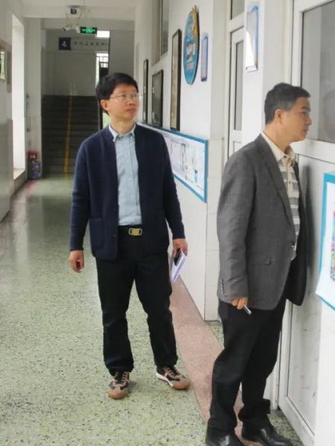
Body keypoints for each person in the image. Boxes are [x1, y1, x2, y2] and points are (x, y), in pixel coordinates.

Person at [69, 72, 190, 400]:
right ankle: (119, 370)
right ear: (105, 104)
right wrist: (75, 244)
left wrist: (178, 232)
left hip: (150, 241)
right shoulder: (91, 148)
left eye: (134, 94)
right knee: (113, 312)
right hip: (112, 244)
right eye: (123, 95)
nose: (131, 100)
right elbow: (80, 198)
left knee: (159, 309)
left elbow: (167, 191)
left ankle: (166, 365)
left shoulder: (153, 142)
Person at [206, 83, 312, 446]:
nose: (309, 120)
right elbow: (230, 229)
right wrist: (235, 284)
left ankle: (254, 421)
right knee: (234, 363)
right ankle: (219, 429)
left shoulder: (289, 161)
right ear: (280, 115)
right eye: (303, 112)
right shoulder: (247, 160)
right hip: (246, 289)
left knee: (263, 359)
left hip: (276, 283)